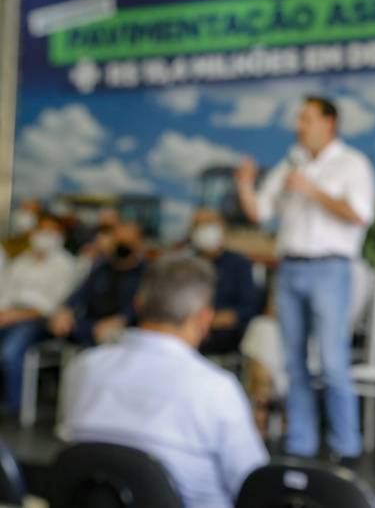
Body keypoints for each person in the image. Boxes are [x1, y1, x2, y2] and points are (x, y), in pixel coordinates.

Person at [59, 255, 269, 508]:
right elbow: (256, 486)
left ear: (138, 305)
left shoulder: (84, 367)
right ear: (204, 318)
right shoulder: (216, 388)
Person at [235, 95, 375, 462]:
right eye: (299, 119)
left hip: (331, 269)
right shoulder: (290, 164)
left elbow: (360, 214)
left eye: (306, 119)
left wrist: (312, 190)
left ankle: (347, 448)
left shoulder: (352, 164)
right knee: (292, 363)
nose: (299, 126)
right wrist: (245, 185)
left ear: (329, 123)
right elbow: (260, 213)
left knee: (332, 363)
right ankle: (301, 444)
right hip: (290, 268)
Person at [0, 215, 77, 412]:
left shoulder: (66, 264)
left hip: (41, 321)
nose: (45, 236)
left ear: (61, 236)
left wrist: (19, 315)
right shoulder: (21, 262)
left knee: (10, 352)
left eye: (52, 231)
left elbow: (56, 305)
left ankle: (14, 405)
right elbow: (6, 292)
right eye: (42, 230)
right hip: (10, 314)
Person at [49, 222, 147, 345]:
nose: (123, 246)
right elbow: (81, 293)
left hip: (124, 332)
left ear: (139, 243)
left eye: (128, 242)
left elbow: (138, 307)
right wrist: (66, 310)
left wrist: (121, 320)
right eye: (119, 241)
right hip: (91, 326)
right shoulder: (101, 268)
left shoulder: (147, 273)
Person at [187, 208, 259, 356]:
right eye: (199, 225)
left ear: (223, 227)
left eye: (209, 223)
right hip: (188, 333)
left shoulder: (239, 264)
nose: (205, 229)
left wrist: (211, 322)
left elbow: (248, 308)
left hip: (226, 337)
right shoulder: (186, 265)